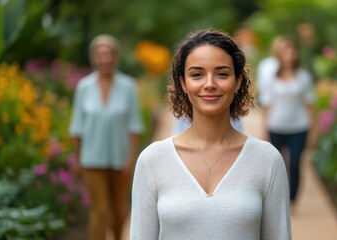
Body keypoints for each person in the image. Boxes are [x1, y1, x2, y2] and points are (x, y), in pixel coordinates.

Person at [130, 29, 291, 239]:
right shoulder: (152, 160)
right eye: (197, 74)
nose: (209, 84)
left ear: (238, 81)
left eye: (222, 74)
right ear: (183, 84)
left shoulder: (267, 159)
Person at [69, 34, 144, 240]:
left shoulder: (128, 86)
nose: (105, 59)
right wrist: (77, 159)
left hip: (120, 160)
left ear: (115, 56)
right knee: (101, 212)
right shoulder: (84, 87)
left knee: (118, 212)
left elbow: (134, 126)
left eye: (108, 54)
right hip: (91, 159)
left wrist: (131, 158)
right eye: (100, 54)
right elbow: (76, 128)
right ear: (94, 57)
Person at [259, 35, 316, 210]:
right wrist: (264, 129)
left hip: (299, 126)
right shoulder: (272, 77)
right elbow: (266, 105)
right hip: (276, 126)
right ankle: (277, 199)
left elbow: (310, 104)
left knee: (295, 162)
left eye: (292, 51)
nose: (290, 55)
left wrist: (314, 131)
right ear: (279, 55)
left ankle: (292, 200)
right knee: (277, 165)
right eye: (286, 51)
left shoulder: (303, 76)